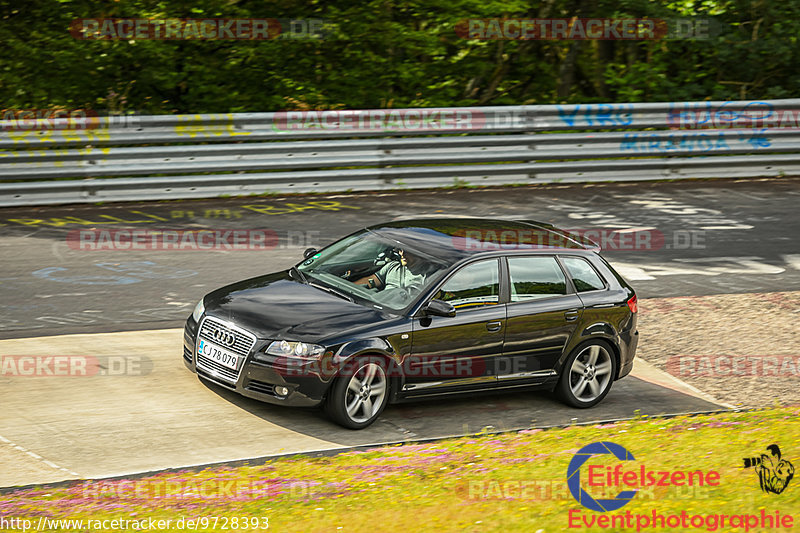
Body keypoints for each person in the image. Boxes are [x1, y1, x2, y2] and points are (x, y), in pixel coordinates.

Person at [355, 249, 427, 291]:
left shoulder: (427, 278)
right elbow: (371, 280)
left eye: (407, 251)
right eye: (401, 250)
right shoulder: (393, 266)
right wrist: (351, 288)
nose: (402, 254)